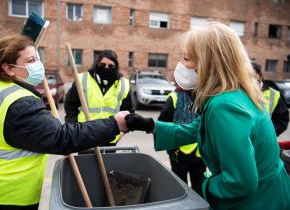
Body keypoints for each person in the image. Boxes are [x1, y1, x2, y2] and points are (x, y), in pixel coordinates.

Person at [123, 22, 290, 209]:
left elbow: (240, 182)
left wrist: (204, 188)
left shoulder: (224, 106)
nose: (180, 64)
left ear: (209, 63)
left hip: (257, 202)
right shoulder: (235, 92)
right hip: (270, 194)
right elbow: (198, 128)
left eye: (186, 58)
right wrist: (150, 126)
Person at [0, 35, 129, 210]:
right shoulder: (20, 103)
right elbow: (61, 139)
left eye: (38, 59)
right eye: (31, 60)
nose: (38, 65)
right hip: (3, 195)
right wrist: (114, 124)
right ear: (9, 69)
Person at [64, 50, 134, 145]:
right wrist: (73, 127)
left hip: (110, 137)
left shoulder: (123, 84)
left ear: (116, 67)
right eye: (102, 65)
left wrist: (122, 132)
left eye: (110, 66)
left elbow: (129, 112)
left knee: (108, 160)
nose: (106, 68)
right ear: (97, 64)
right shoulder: (82, 79)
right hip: (85, 135)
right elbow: (70, 106)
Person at [158, 85, 206, 196]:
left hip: (200, 154)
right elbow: (163, 126)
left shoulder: (205, 97)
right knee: (180, 189)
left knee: (199, 188)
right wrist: (171, 149)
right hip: (179, 153)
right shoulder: (174, 97)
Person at [252, 62, 289, 136]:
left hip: (265, 142)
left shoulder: (273, 94)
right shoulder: (237, 93)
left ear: (260, 76)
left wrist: (268, 134)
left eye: (254, 76)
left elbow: (282, 120)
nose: (251, 80)